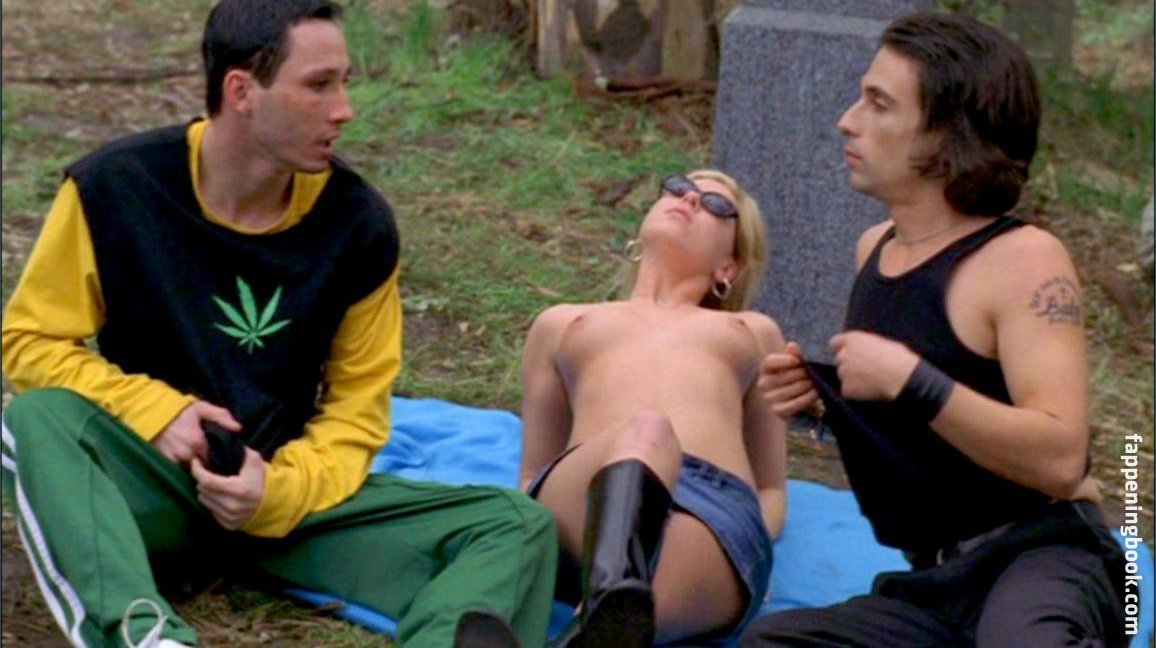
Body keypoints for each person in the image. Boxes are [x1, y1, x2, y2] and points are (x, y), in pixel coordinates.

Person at [0, 1, 557, 646]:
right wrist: (155, 412)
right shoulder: (115, 188)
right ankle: (146, 635)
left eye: (345, 82)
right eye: (319, 85)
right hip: (148, 485)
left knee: (516, 524)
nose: (344, 109)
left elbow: (357, 411)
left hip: (288, 508)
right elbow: (30, 340)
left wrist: (274, 492)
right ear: (242, 91)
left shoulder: (358, 226)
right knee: (35, 421)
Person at [742, 11, 1125, 648]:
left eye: (879, 104)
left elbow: (1061, 460)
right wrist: (828, 403)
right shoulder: (874, 248)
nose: (847, 120)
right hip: (937, 584)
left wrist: (911, 381)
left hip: (1043, 559)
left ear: (946, 138)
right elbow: (929, 431)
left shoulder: (1022, 258)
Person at [520, 169, 788, 647]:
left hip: (710, 508)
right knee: (646, 432)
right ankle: (608, 607)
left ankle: (597, 620)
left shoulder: (753, 332)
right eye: (679, 187)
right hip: (591, 489)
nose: (690, 200)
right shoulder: (563, 323)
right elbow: (534, 472)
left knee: (630, 615)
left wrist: (758, 546)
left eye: (717, 205)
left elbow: (770, 487)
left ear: (728, 267)